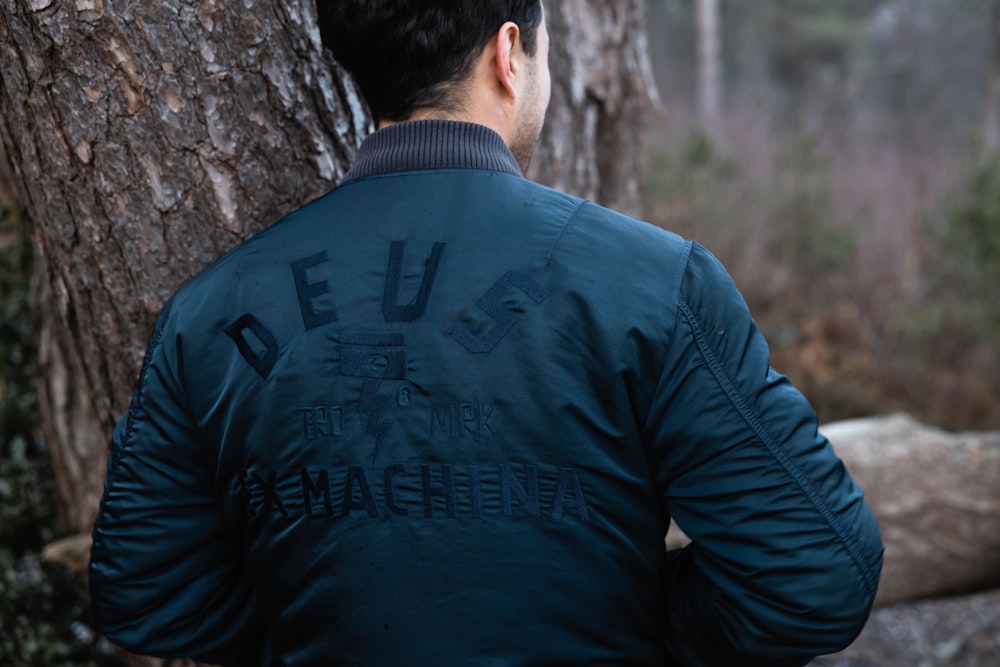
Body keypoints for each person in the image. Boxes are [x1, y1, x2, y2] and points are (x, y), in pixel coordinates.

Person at [88, 1, 883, 665]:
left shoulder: (208, 311)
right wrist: (634, 622)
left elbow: (145, 592)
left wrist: (322, 622)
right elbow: (817, 574)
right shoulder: (653, 284)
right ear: (510, 53)